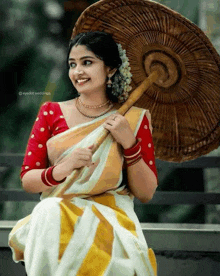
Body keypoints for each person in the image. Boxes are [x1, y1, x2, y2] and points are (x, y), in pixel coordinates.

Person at [9, 31, 158, 276]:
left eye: (87, 63)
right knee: (48, 211)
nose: (77, 72)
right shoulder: (51, 112)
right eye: (72, 64)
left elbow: (146, 192)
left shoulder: (132, 119)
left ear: (110, 69)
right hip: (59, 215)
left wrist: (129, 144)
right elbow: (28, 180)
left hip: (112, 218)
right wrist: (63, 168)